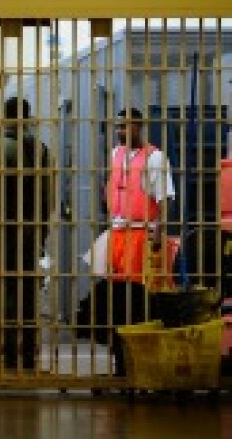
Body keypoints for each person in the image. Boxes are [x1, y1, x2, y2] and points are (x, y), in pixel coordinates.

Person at [0, 97, 51, 371]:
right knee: (25, 296)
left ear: (3, 118)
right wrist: (40, 234)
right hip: (29, 234)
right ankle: (26, 353)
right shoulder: (42, 151)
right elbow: (47, 199)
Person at [103, 106, 175, 375]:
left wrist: (158, 232)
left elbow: (165, 198)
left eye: (126, 126)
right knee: (116, 298)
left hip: (141, 234)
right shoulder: (115, 154)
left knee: (138, 298)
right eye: (119, 126)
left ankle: (137, 359)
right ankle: (120, 358)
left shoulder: (155, 158)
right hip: (117, 233)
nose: (121, 131)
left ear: (139, 126)